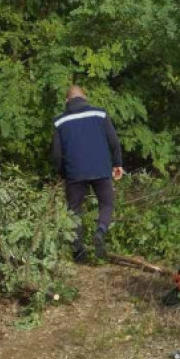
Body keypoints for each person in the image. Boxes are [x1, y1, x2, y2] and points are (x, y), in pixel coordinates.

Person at [50, 86, 124, 262]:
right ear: (85, 97)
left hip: (74, 172)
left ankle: (79, 254)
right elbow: (114, 141)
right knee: (106, 203)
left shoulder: (60, 121)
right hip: (101, 169)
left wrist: (62, 173)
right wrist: (117, 164)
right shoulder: (100, 114)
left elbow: (55, 154)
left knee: (74, 211)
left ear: (67, 101)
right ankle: (100, 230)